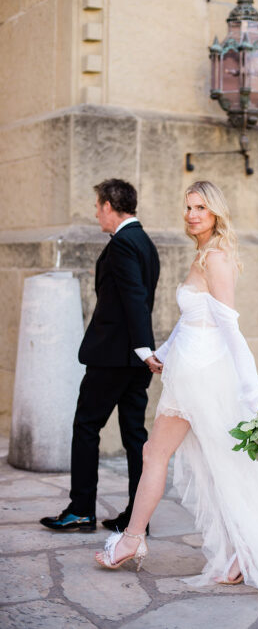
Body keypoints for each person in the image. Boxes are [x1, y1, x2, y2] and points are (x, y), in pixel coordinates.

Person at [95, 180, 258, 603]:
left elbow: (229, 327)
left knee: (168, 456)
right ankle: (233, 555)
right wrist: (163, 350)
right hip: (188, 369)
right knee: (207, 464)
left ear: (215, 212)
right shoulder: (203, 253)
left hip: (203, 376)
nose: (192, 214)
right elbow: (193, 320)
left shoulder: (215, 257)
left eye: (201, 207)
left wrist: (254, 391)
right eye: (188, 207)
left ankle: (133, 539)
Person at [40, 179, 160, 534]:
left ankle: (80, 510)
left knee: (86, 426)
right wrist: (144, 352)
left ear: (109, 205)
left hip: (114, 358)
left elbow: (135, 298)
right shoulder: (145, 243)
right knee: (134, 436)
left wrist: (140, 348)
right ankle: (138, 518)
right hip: (134, 360)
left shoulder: (123, 244)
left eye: (97, 206)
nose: (96, 213)